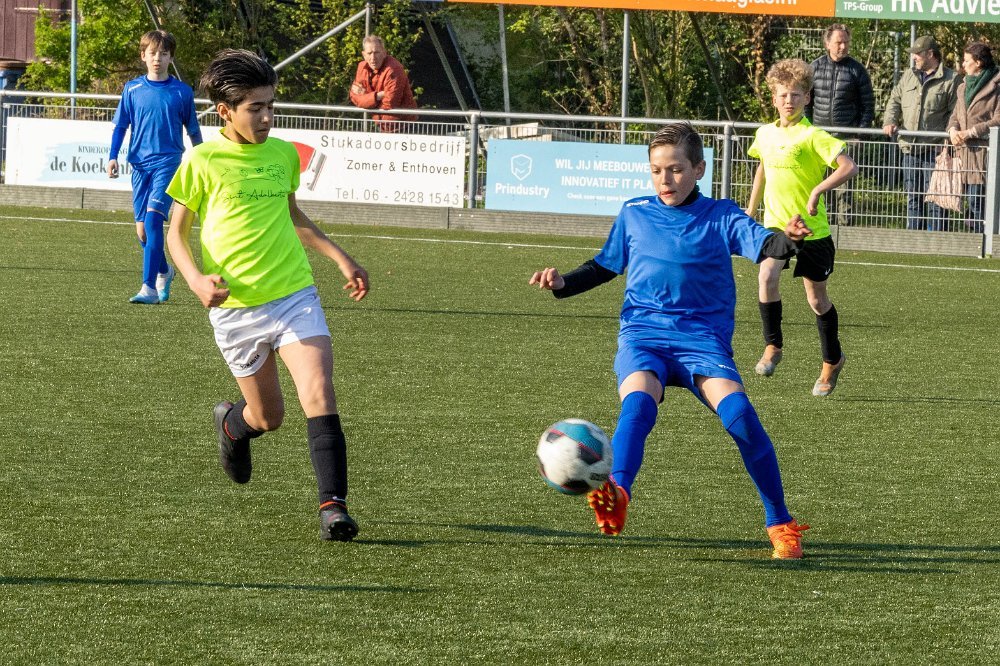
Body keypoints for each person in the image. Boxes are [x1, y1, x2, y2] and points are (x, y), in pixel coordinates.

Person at [529, 122, 812, 559]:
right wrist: (563, 282)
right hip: (644, 335)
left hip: (702, 340)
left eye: (676, 169)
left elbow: (763, 242)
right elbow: (605, 265)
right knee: (637, 405)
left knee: (740, 417)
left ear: (699, 169)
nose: (666, 179)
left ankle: (781, 523)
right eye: (657, 170)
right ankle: (618, 493)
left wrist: (786, 240)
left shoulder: (721, 215)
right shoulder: (634, 213)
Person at [165, 49, 370, 541]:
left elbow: (292, 215)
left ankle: (333, 508)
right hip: (236, 310)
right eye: (254, 107)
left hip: (294, 294)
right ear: (225, 111)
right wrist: (195, 280)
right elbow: (176, 233)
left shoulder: (281, 155)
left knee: (319, 392)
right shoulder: (201, 160)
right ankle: (233, 427)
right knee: (268, 417)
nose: (266, 116)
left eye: (271, 105)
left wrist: (340, 257)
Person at [746, 59, 857, 397]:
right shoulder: (765, 134)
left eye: (796, 95)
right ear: (774, 98)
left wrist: (818, 190)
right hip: (777, 226)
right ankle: (773, 346)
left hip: (812, 231)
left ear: (807, 98)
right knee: (767, 275)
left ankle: (832, 361)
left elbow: (848, 166)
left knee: (816, 299)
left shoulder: (813, 136)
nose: (789, 101)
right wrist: (751, 209)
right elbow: (763, 168)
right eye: (783, 95)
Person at [108, 29, 202, 304]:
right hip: (139, 165)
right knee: (142, 233)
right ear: (143, 56)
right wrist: (113, 156)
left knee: (153, 222)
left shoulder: (182, 92)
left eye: (163, 53)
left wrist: (202, 160)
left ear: (171, 57)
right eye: (152, 53)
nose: (157, 58)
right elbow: (121, 126)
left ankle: (148, 288)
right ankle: (164, 271)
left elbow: (193, 131)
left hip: (168, 163)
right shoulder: (132, 89)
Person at [883, 35, 959, 232]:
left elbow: (955, 113)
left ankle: (937, 240)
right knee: (913, 198)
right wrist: (890, 120)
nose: (914, 57)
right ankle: (914, 239)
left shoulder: (951, 79)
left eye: (918, 53)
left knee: (936, 199)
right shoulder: (909, 75)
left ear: (930, 54)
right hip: (910, 148)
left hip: (935, 150)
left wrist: (948, 142)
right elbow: (894, 99)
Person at [808, 24, 874, 227]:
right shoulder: (814, 68)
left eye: (846, 42)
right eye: (839, 42)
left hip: (846, 140)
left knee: (845, 192)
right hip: (819, 139)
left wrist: (859, 134)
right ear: (827, 43)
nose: (843, 46)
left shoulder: (857, 70)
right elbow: (806, 103)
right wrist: (807, 130)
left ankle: (845, 232)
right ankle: (821, 229)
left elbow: (868, 104)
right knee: (820, 187)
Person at [946, 42, 1000, 234]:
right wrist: (953, 130)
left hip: (986, 155)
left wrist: (971, 132)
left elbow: (998, 119)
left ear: (978, 62)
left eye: (966, 60)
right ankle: (978, 241)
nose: (963, 64)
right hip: (964, 155)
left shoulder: (997, 86)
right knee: (972, 204)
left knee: (979, 203)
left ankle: (986, 243)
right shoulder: (963, 87)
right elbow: (955, 115)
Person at [348, 35, 417, 133]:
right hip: (381, 125)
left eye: (376, 52)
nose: (373, 58)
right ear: (364, 55)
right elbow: (354, 97)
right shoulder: (361, 67)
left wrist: (366, 98)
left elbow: (390, 103)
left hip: (405, 127)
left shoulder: (394, 69)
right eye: (369, 53)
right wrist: (378, 96)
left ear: (384, 53)